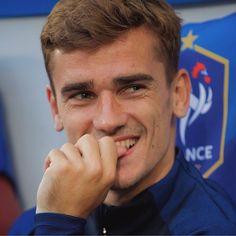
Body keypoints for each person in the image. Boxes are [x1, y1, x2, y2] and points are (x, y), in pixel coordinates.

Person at [9, 0, 236, 235]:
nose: (108, 120)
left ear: (179, 94)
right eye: (83, 94)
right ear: (56, 108)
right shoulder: (35, 223)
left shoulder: (214, 229)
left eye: (133, 88)